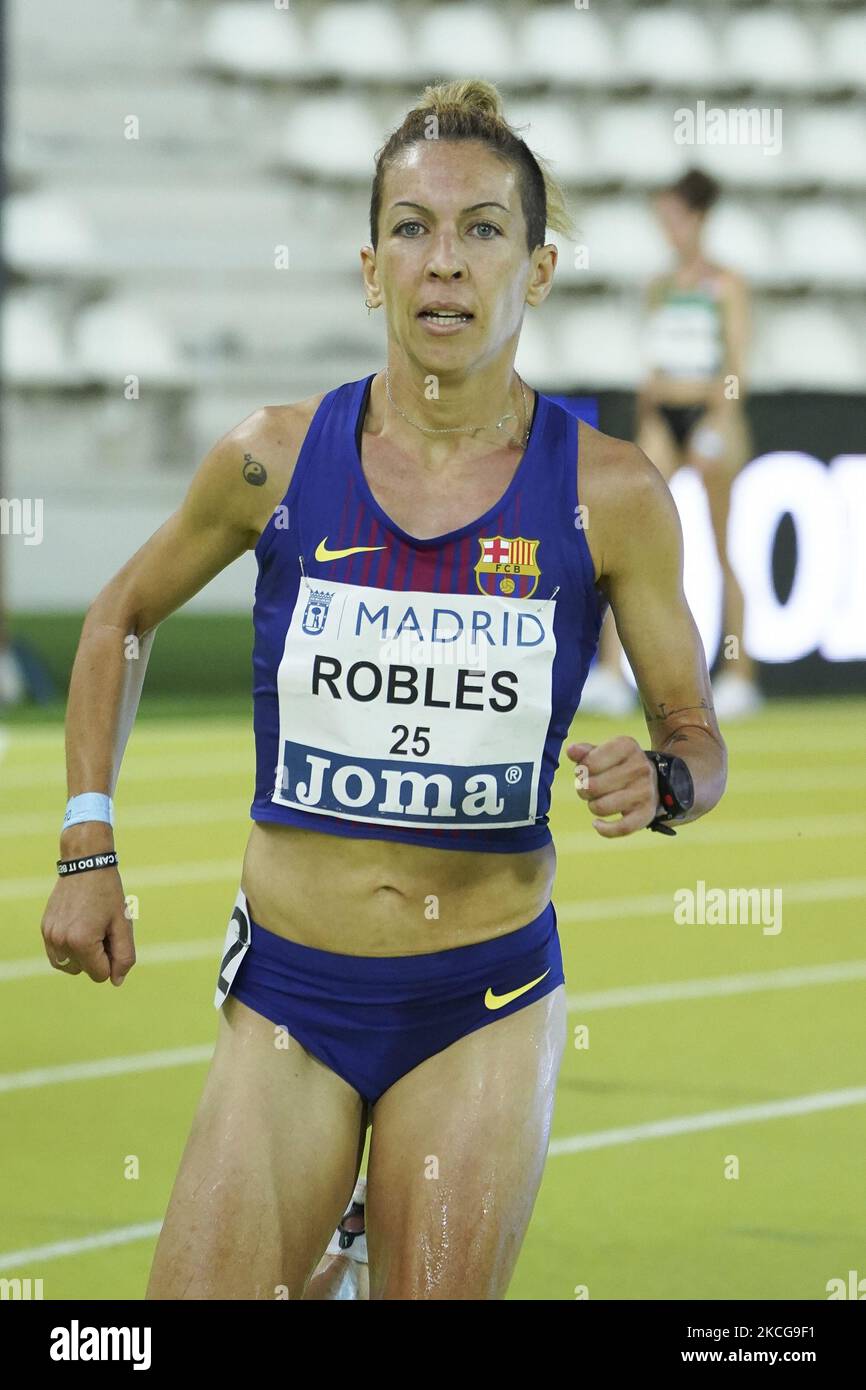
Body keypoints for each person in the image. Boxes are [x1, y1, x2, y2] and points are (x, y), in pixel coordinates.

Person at [40, 79, 727, 1301]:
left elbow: (692, 735)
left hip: (484, 997)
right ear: (370, 269)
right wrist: (88, 841)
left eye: (481, 231)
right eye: (410, 227)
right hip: (291, 995)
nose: (444, 264)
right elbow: (120, 618)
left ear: (541, 266)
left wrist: (664, 776)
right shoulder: (273, 454)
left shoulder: (612, 493)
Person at [581, 167, 761, 721]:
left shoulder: (725, 284)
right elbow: (653, 361)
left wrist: (716, 421)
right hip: (663, 413)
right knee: (624, 538)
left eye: (675, 219)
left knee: (724, 543)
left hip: (710, 411)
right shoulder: (660, 285)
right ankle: (612, 674)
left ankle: (739, 675)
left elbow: (735, 362)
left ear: (698, 219)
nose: (668, 230)